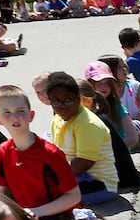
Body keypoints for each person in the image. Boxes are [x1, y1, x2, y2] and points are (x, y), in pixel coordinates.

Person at [0, 84, 81, 220]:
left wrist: (38, 211)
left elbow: (74, 196)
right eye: (7, 113)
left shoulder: (50, 153)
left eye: (21, 111)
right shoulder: (4, 150)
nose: (15, 117)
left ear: (31, 115)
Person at [46, 70, 119, 204]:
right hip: (76, 176)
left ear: (78, 99)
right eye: (56, 101)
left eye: (68, 100)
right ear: (50, 102)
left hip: (100, 184)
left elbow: (84, 163)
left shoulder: (88, 124)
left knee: (50, 195)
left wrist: (53, 178)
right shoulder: (57, 119)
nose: (62, 106)